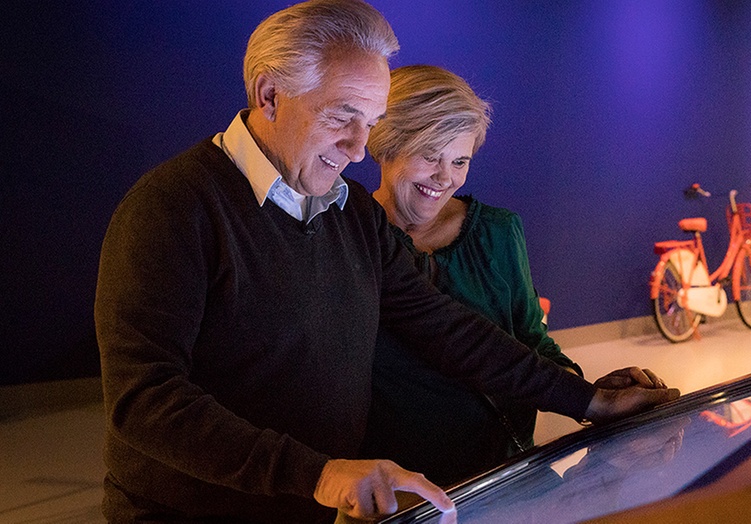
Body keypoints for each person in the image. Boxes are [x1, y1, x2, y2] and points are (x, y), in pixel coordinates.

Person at [94, 1, 679, 522]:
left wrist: (587, 400)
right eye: (340, 116)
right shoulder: (172, 207)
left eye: (369, 124)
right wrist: (317, 473)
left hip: (308, 508)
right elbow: (144, 398)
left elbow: (445, 329)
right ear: (269, 95)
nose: (358, 148)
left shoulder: (350, 214)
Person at [360, 65, 584, 485]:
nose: (445, 178)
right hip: (398, 489)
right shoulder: (350, 238)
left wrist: (588, 393)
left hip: (504, 475)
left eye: (460, 161)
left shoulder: (498, 231)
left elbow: (531, 340)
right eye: (430, 155)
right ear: (385, 145)